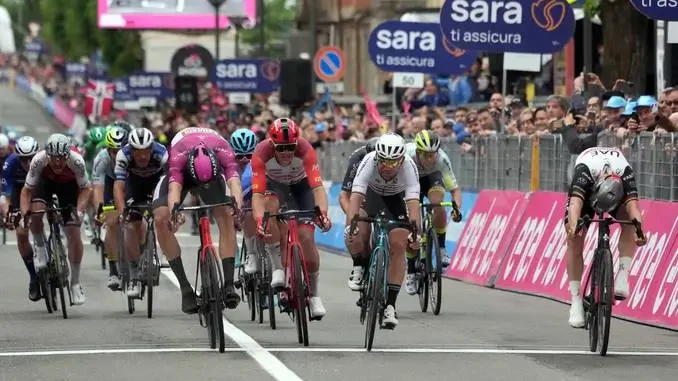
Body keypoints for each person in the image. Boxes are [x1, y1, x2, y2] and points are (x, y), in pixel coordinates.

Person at [152, 126, 243, 314]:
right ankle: (186, 289)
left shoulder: (224, 150)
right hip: (183, 175)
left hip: (213, 176)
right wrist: (175, 212)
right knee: (161, 219)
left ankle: (228, 284)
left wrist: (238, 209)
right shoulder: (177, 156)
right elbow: (174, 190)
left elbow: (234, 184)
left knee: (227, 213)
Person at [251, 118, 332, 320]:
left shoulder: (305, 149)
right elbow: (258, 195)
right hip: (274, 185)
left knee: (306, 237)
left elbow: (317, 187)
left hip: (300, 186)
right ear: (272, 144)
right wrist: (259, 219)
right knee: (269, 210)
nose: (287, 152)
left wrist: (322, 213)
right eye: (281, 148)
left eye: (290, 147)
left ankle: (314, 296)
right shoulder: (261, 154)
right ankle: (278, 266)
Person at [344, 133, 421, 329]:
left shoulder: (409, 166)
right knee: (358, 230)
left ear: (401, 159)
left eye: (393, 162)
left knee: (399, 244)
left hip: (397, 199)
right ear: (377, 157)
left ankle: (390, 306)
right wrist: (351, 225)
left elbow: (413, 204)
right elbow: (356, 194)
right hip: (371, 195)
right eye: (384, 161)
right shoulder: (369, 161)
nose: (388, 167)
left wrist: (415, 232)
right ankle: (360, 265)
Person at [564, 146, 646, 328]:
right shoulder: (584, 171)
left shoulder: (624, 172)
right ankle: (575, 299)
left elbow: (633, 207)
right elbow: (576, 204)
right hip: (587, 193)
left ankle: (623, 273)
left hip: (615, 189)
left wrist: (640, 231)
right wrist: (572, 227)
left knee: (630, 221)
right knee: (574, 239)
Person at [19, 133, 91, 305]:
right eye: (53, 159)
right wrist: (24, 215)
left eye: (61, 159)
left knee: (74, 232)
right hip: (45, 182)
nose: (57, 163)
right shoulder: (39, 160)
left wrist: (79, 212)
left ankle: (75, 283)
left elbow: (85, 189)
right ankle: (40, 247)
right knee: (36, 212)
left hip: (69, 186)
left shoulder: (77, 161)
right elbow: (26, 191)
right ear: (47, 155)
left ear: (68, 155)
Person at [403, 130, 462, 295]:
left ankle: (441, 248)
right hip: (410, 180)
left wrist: (456, 209)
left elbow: (455, 190)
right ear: (418, 151)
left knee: (438, 202)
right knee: (414, 226)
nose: (430, 159)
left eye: (432, 155)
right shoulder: (406, 156)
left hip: (432, 179)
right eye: (426, 155)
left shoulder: (441, 159)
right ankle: (411, 271)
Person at [113, 127, 168, 297]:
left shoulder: (162, 154)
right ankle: (134, 277)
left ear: (152, 149)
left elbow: (172, 182)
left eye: (146, 152)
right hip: (134, 185)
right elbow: (118, 186)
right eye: (138, 153)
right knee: (131, 225)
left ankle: (164, 249)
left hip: (157, 183)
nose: (143, 156)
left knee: (164, 214)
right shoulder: (123, 155)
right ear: (132, 150)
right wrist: (122, 211)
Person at [1, 136, 40, 301]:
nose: (27, 162)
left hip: (39, 190)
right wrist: (8, 213)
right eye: (23, 159)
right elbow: (5, 196)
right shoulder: (10, 164)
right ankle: (34, 277)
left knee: (45, 215)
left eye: (30, 158)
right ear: (17, 156)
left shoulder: (43, 162)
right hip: (18, 192)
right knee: (21, 233)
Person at [337, 136, 379, 291]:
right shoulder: (357, 158)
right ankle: (359, 265)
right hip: (363, 195)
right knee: (358, 232)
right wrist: (353, 219)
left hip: (387, 194)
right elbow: (344, 196)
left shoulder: (395, 160)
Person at [92, 127, 129, 290]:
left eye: (119, 150)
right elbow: (98, 189)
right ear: (107, 149)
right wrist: (100, 211)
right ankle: (113, 270)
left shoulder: (132, 156)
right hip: (109, 183)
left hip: (129, 182)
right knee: (111, 221)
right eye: (112, 151)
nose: (116, 154)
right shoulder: (102, 159)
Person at [230, 128, 261, 274]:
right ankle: (249, 253)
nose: (244, 159)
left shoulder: (259, 160)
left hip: (253, 189)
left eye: (248, 155)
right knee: (228, 213)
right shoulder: (228, 162)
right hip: (235, 190)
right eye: (239, 156)